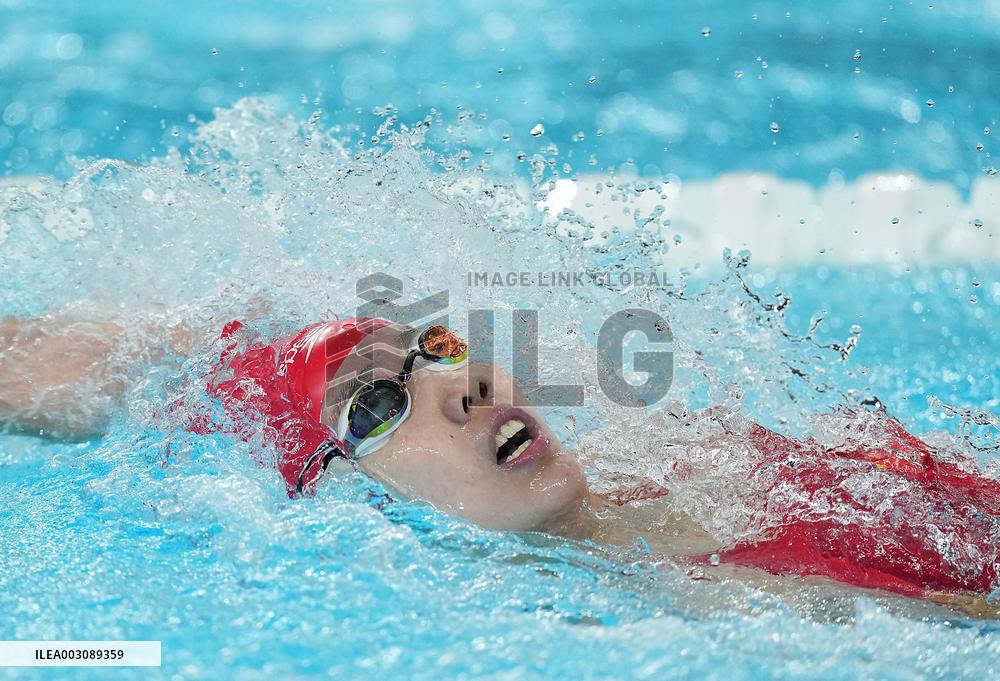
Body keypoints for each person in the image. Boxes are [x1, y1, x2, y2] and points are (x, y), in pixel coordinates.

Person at [2, 314, 999, 614]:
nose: (461, 382)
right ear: (349, 505)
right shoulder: (652, 624)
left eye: (432, 348)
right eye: (379, 404)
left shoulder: (703, 454)